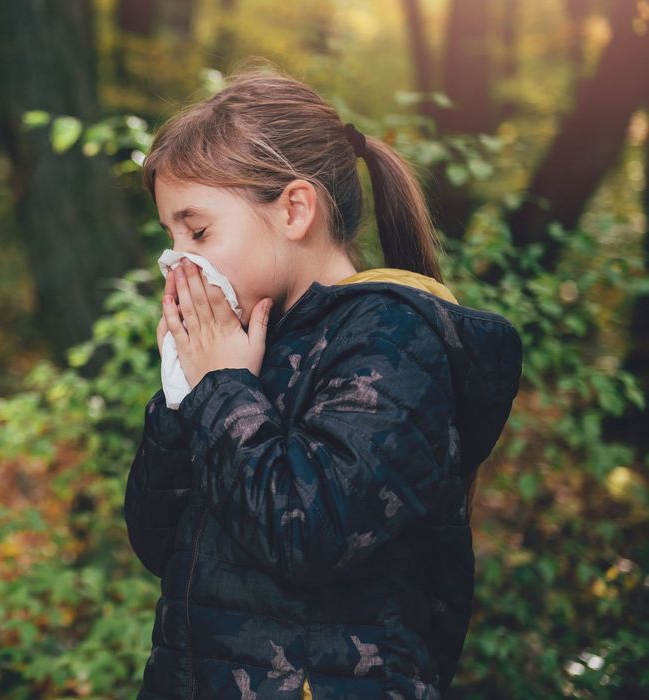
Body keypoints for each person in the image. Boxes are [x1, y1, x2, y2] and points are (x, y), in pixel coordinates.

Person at [123, 63, 523, 700]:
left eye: (196, 230)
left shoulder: (393, 341)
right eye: (170, 235)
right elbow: (160, 542)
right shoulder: (246, 347)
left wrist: (222, 388)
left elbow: (311, 533)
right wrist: (181, 399)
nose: (176, 259)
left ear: (294, 210)